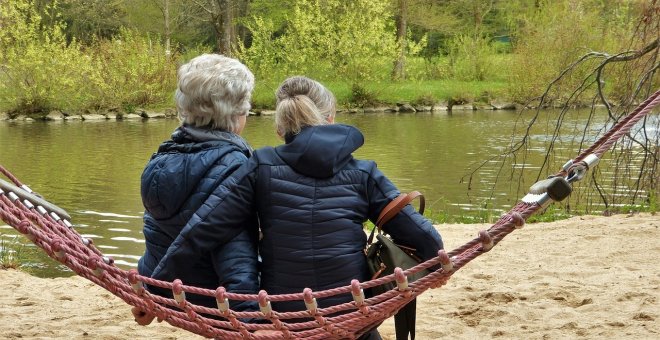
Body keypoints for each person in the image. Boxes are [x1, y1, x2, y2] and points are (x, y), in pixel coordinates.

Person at [151, 76, 444, 338]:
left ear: (280, 129)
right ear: (331, 119)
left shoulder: (259, 166)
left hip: (286, 319)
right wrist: (438, 266)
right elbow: (424, 238)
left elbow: (203, 229)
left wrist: (153, 290)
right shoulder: (364, 173)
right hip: (352, 314)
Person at [133, 54, 259, 324]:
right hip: (217, 299)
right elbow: (236, 256)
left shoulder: (160, 160)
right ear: (237, 114)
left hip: (168, 291)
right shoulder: (236, 166)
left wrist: (151, 292)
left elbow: (157, 235)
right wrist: (247, 323)